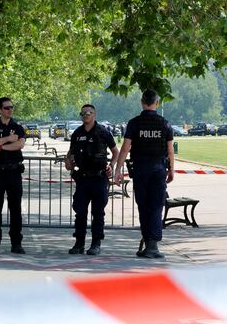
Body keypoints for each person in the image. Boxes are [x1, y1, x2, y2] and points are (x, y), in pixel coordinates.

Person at [114, 89, 174, 258]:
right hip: (159, 169)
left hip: (140, 169)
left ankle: (149, 242)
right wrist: (172, 170)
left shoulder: (134, 123)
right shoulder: (165, 124)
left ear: (142, 102)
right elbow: (170, 151)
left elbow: (125, 148)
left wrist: (118, 170)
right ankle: (152, 245)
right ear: (157, 102)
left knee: (143, 206)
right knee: (156, 206)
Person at [65, 104, 119, 255]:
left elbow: (115, 151)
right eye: (83, 113)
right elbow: (70, 154)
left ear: (94, 115)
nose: (85, 115)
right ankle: (79, 243)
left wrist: (112, 165)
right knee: (80, 212)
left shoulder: (103, 132)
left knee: (98, 213)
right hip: (82, 178)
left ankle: (96, 244)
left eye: (88, 113)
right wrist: (68, 161)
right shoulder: (77, 133)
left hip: (99, 178)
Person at [0, 97, 26, 254]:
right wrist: (7, 140)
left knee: (15, 208)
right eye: (7, 108)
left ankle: (16, 243)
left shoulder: (18, 127)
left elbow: (20, 144)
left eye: (11, 107)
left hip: (14, 172)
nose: (10, 110)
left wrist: (0, 146)